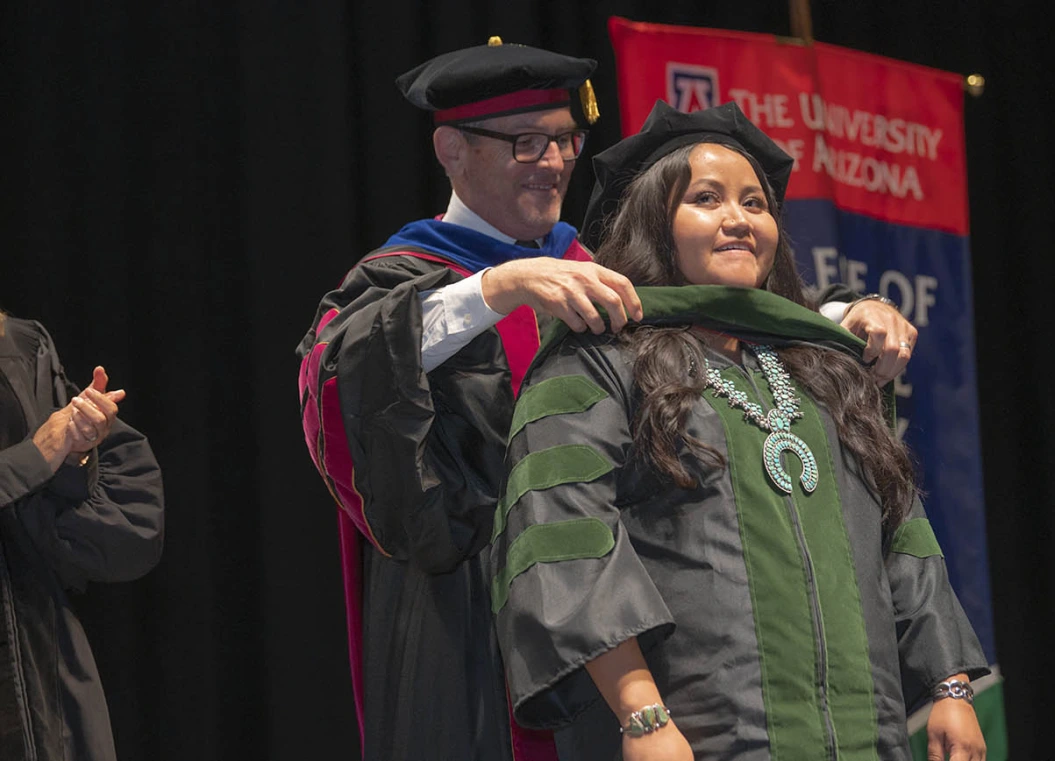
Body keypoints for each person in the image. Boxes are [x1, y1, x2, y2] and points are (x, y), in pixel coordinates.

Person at [297, 37, 919, 760]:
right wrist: (495, 289)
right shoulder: (411, 277)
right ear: (451, 149)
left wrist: (850, 316)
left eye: (565, 139)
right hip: (466, 610)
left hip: (611, 605)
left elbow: (719, 319)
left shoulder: (596, 267)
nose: (555, 162)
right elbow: (335, 381)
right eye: (527, 142)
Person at [491, 101, 988, 761]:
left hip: (866, 737)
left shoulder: (819, 369)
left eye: (756, 203)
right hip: (701, 737)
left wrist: (950, 685)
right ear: (655, 223)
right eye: (706, 198)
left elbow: (900, 531)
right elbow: (569, 544)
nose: (738, 219)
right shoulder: (598, 361)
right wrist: (643, 719)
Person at [0, 312, 164, 761]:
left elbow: (130, 531)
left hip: (40, 667)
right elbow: (33, 459)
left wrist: (76, 450)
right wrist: (34, 458)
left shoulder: (20, 343)